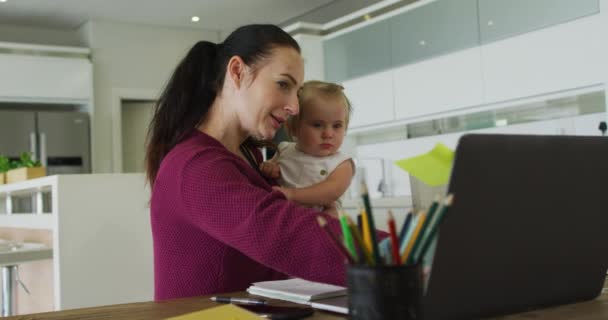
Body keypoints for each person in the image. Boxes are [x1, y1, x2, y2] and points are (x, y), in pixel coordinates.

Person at [145, 24, 349, 301]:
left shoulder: (250, 156)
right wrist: (395, 253)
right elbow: (282, 234)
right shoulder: (195, 166)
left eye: (297, 91)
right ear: (237, 72)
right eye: (283, 84)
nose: (294, 107)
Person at [259, 81, 354, 211]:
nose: (328, 134)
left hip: (320, 223)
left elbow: (331, 192)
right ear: (293, 128)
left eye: (337, 126)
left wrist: (291, 194)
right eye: (317, 125)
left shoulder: (342, 164)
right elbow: (269, 169)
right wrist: (269, 166)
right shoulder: (283, 150)